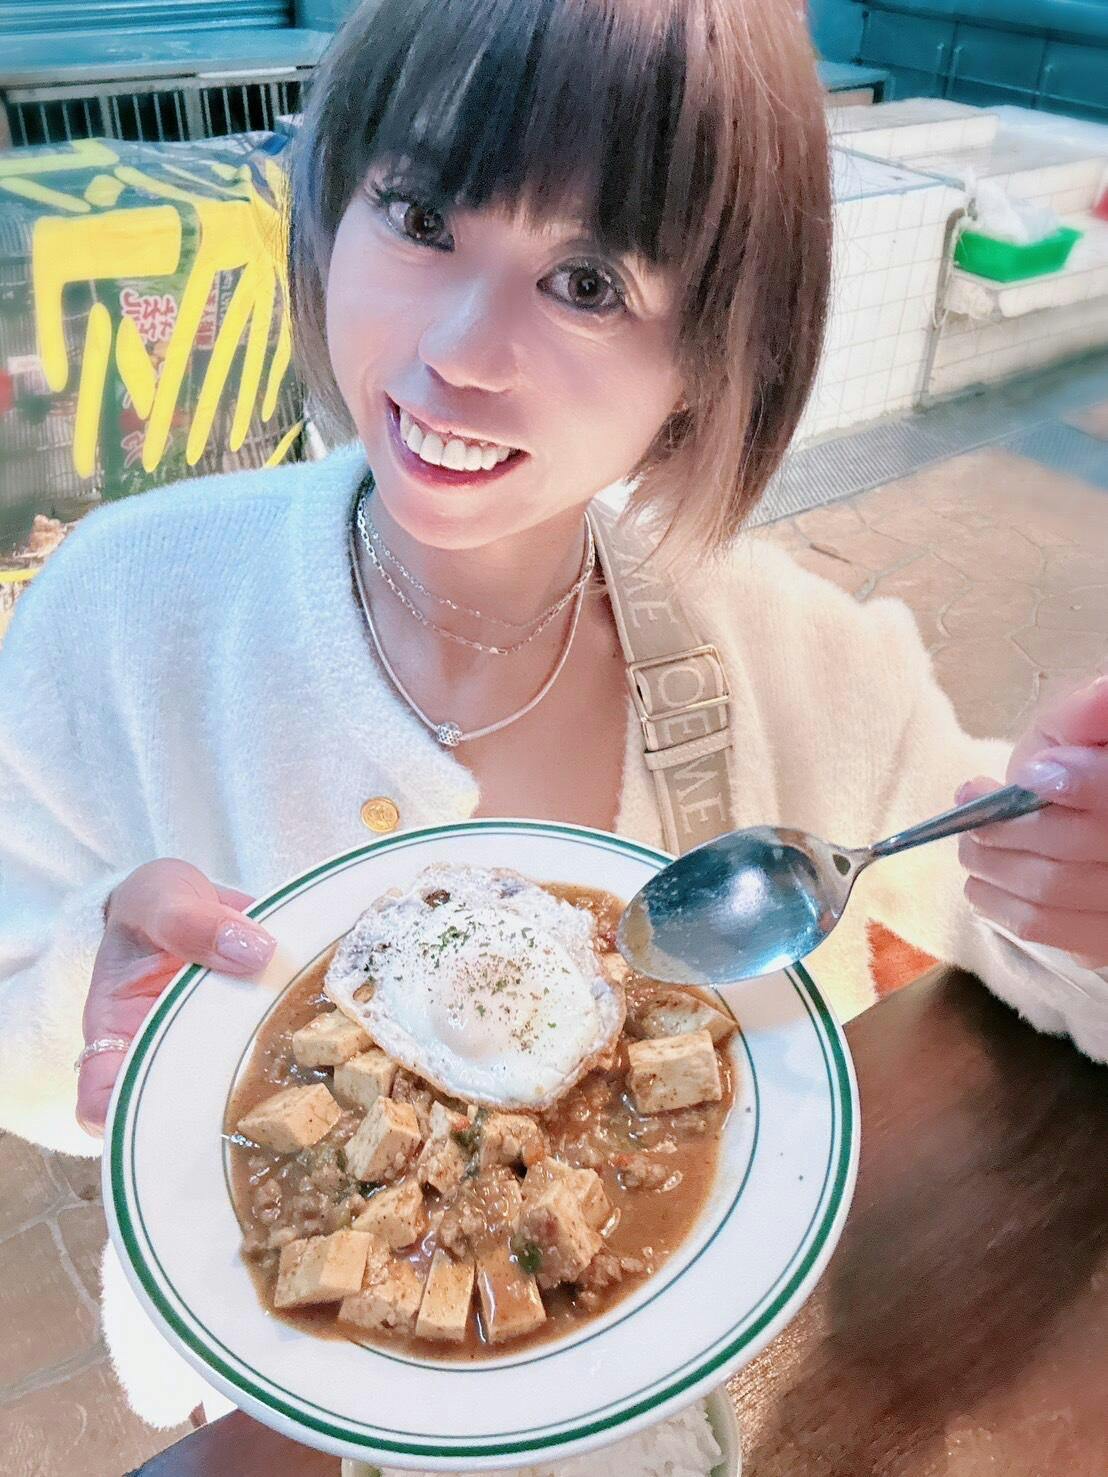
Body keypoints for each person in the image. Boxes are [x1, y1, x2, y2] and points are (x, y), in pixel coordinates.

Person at [1, 0, 1106, 1436]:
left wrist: (1078, 894)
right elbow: (20, 1016)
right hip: (266, 1416)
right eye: (419, 215)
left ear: (718, 355)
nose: (461, 352)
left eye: (588, 283)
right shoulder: (120, 605)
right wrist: (85, 997)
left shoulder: (799, 659)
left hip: (692, 1406)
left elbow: (1034, 953)